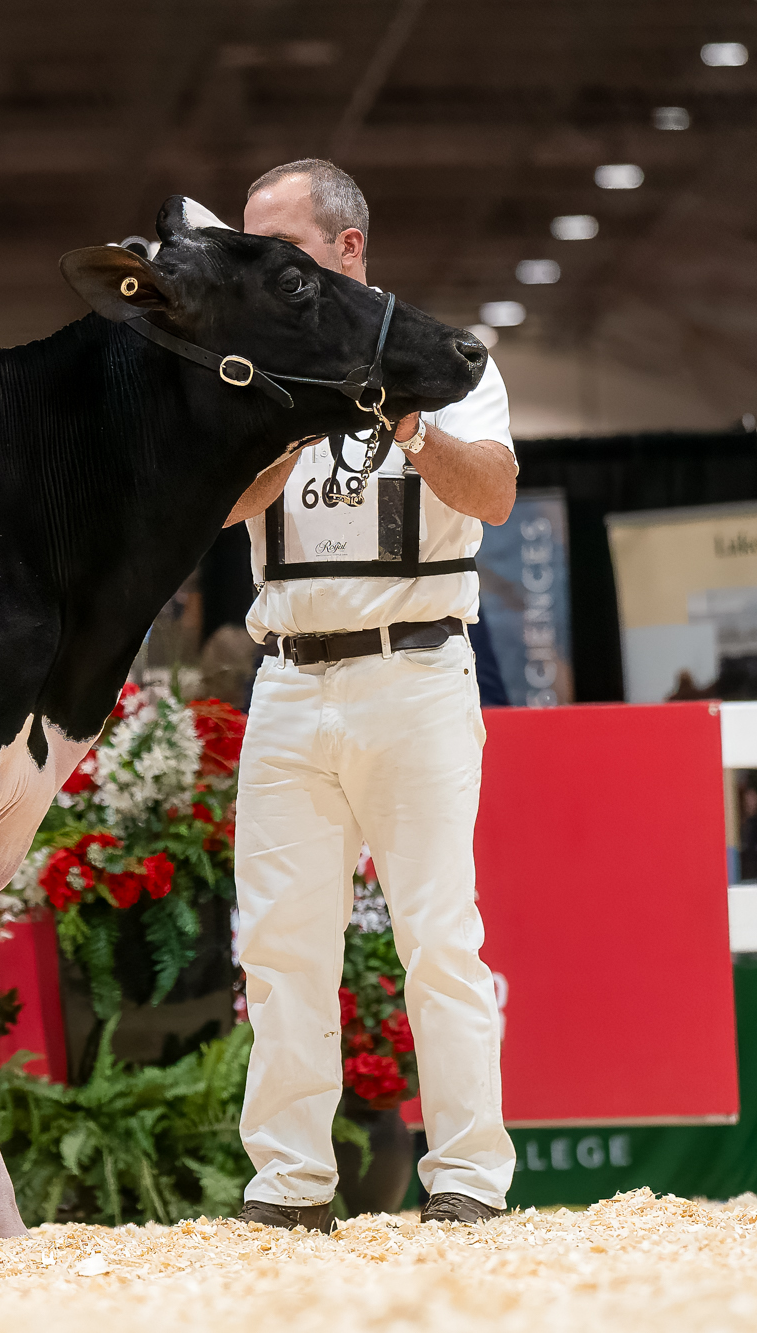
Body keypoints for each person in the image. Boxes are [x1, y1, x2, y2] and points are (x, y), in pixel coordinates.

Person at [221, 159, 518, 1229]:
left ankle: (468, 1175)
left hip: (415, 670)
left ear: (347, 248)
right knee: (278, 941)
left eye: (282, 249)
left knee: (437, 932)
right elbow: (215, 508)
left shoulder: (448, 358)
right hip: (287, 678)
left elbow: (494, 493)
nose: (260, 268)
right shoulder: (254, 369)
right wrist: (290, 424)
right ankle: (291, 1181)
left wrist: (409, 424)